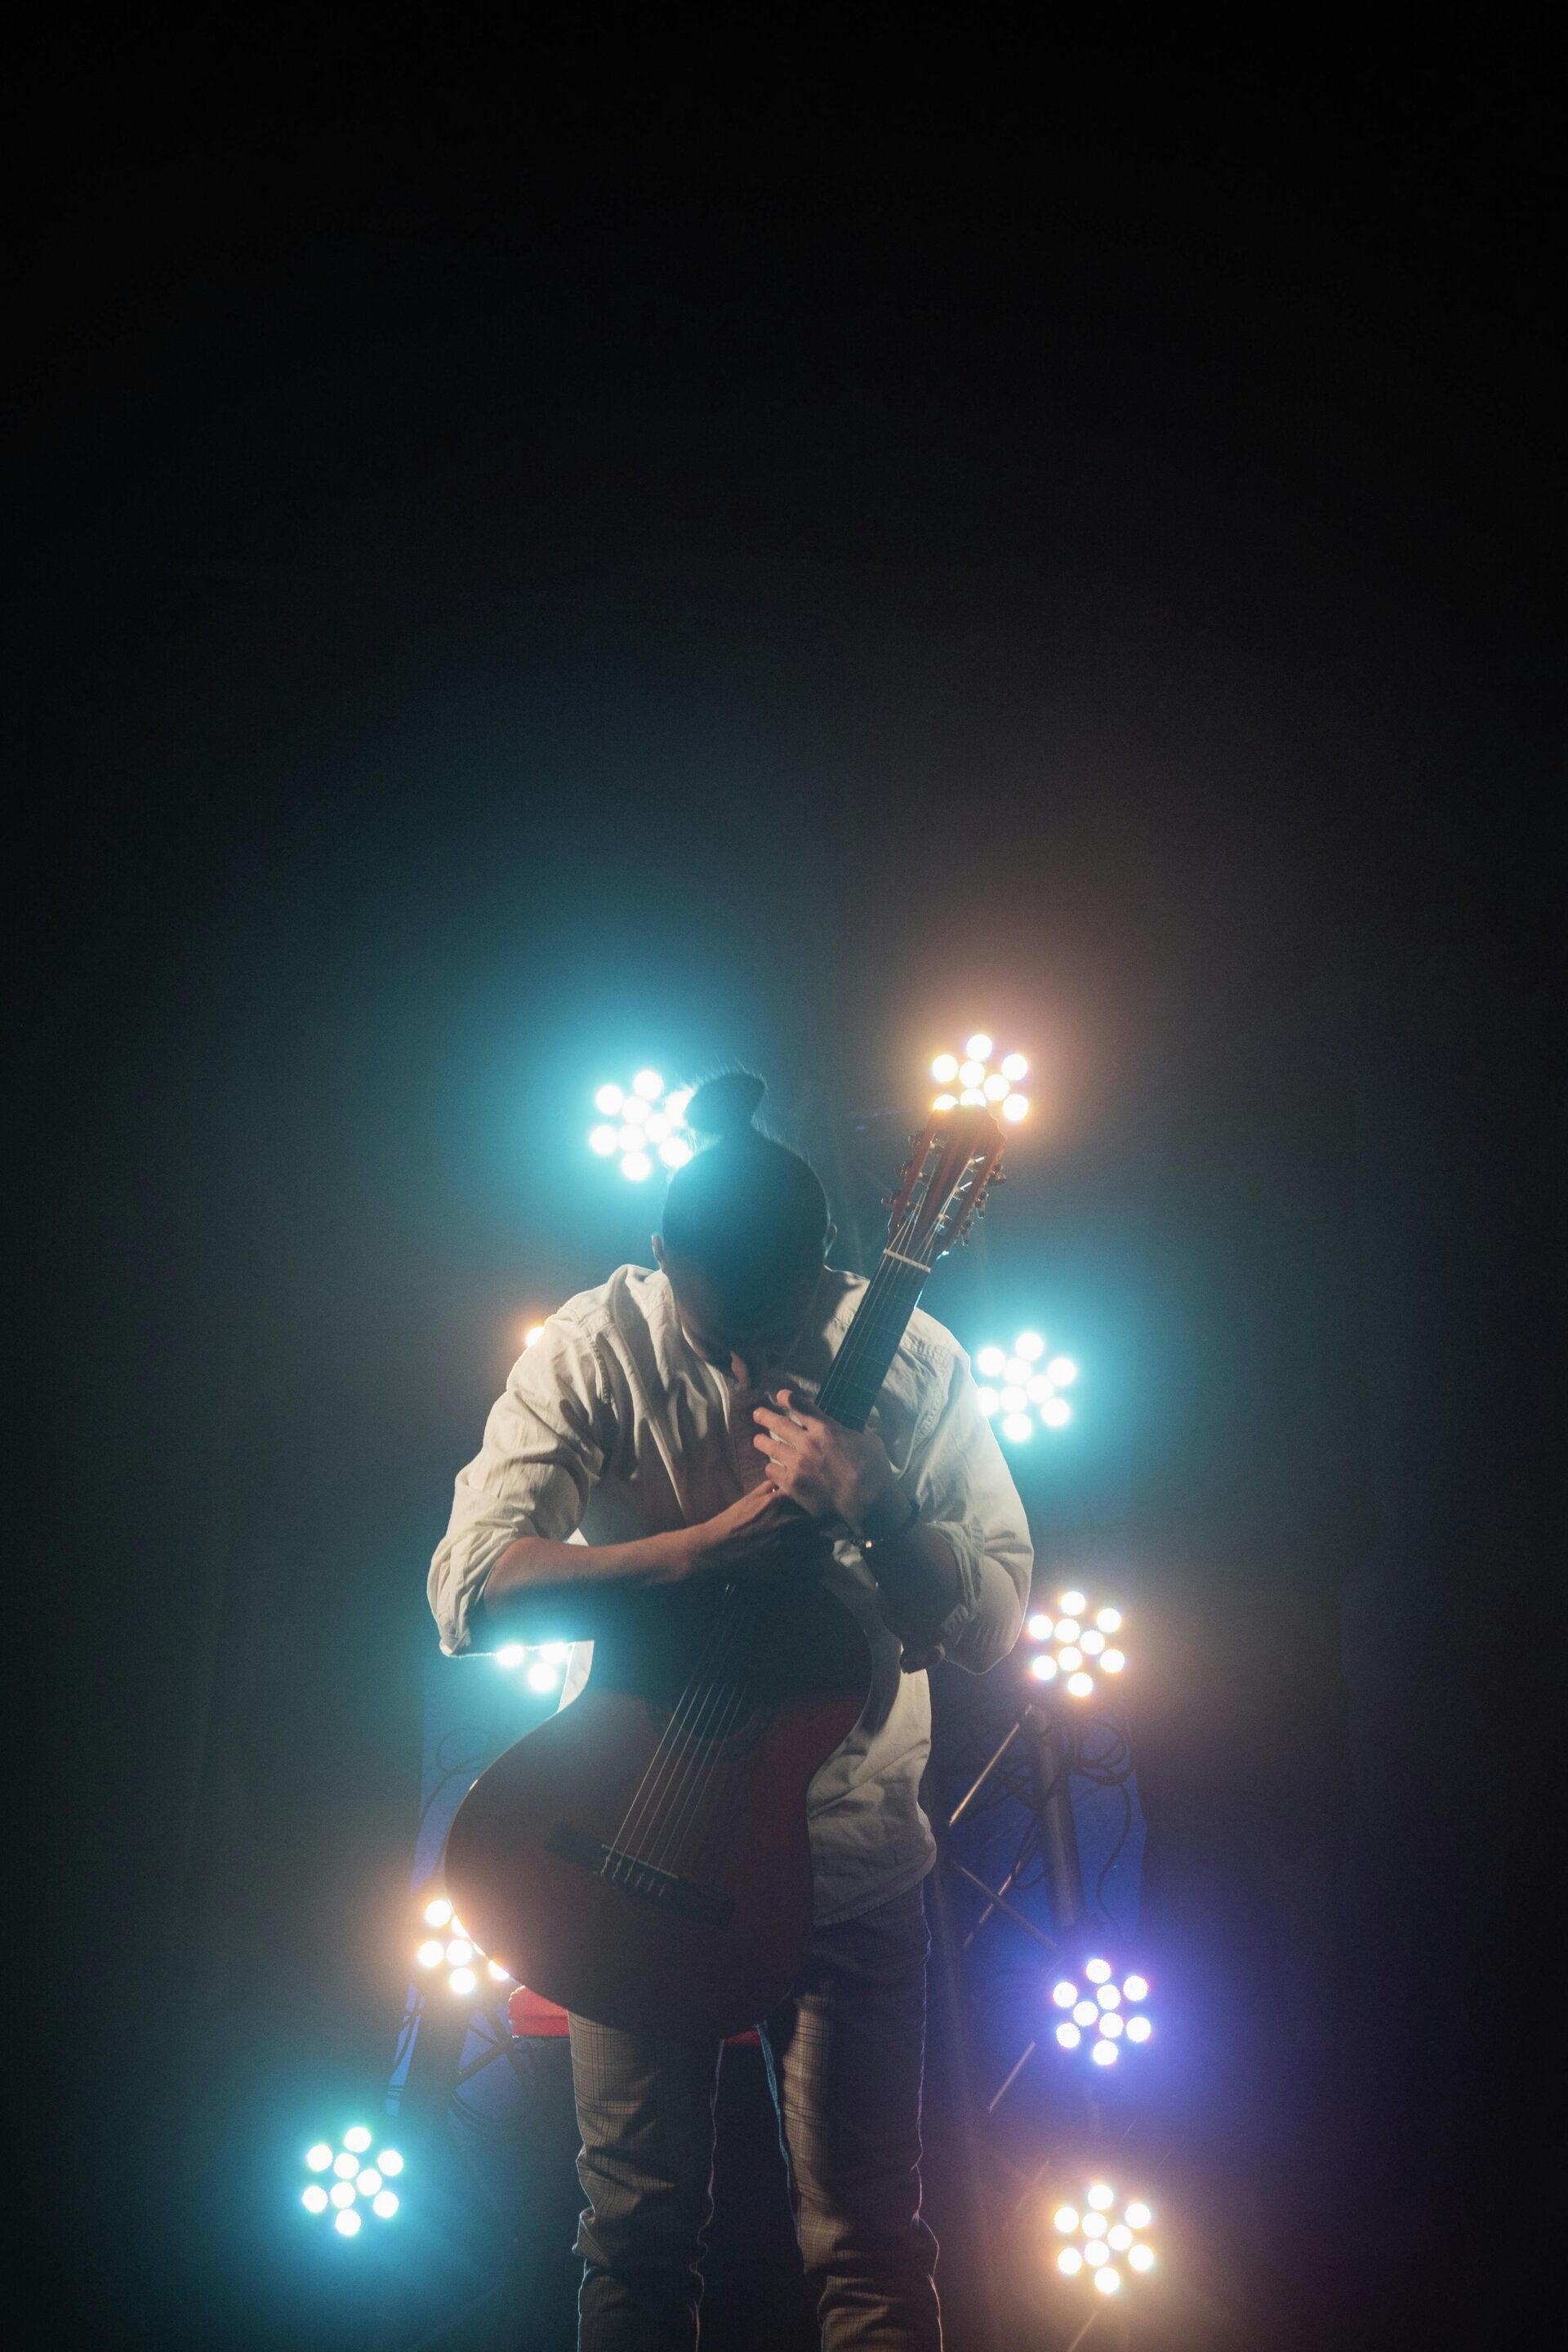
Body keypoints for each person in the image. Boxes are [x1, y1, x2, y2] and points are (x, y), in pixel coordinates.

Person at [429, 1071, 1031, 2350]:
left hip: (847, 1863)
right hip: (631, 1843)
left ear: (826, 1264)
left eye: (778, 1327)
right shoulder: (593, 1347)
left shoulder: (916, 1359)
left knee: (870, 2239)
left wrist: (880, 1504)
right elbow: (466, 1594)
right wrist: (694, 1553)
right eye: (723, 1342)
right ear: (660, 1258)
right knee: (633, 2236)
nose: (755, 1368)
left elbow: (991, 1626)